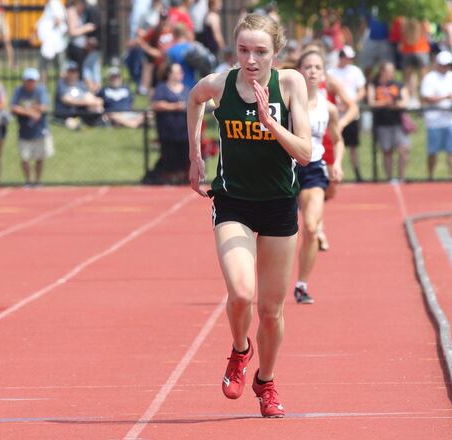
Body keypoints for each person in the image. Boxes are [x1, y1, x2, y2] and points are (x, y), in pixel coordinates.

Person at [186, 14, 312, 418]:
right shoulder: (221, 84)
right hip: (233, 203)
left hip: (278, 204)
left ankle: (266, 381)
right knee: (241, 293)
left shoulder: (290, 83)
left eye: (260, 52)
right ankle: (240, 350)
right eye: (244, 51)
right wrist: (194, 156)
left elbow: (305, 152)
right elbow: (194, 99)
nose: (251, 60)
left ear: (276, 52)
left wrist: (271, 123)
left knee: (271, 311)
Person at [293, 49, 354, 305]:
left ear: (324, 74)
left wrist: (337, 162)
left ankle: (302, 284)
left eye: (318, 67)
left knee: (310, 227)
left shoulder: (329, 108)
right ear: (299, 71)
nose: (313, 71)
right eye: (308, 66)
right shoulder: (286, 102)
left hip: (313, 169)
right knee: (278, 232)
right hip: (285, 169)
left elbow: (338, 140)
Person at [420, 51, 452, 180]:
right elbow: (426, 97)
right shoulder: (430, 78)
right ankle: (430, 176)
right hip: (434, 121)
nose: (446, 67)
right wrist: (445, 97)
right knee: (432, 152)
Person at [147, 61, 190, 183]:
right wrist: (175, 106)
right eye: (176, 72)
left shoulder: (186, 89)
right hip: (167, 130)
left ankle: (181, 179)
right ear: (169, 74)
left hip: (184, 131)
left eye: (181, 72)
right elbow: (156, 104)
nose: (179, 74)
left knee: (183, 157)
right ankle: (169, 179)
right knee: (169, 156)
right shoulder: (162, 88)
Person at [368, 61, 411, 182]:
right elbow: (372, 102)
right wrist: (385, 103)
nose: (391, 73)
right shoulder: (374, 85)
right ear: (382, 71)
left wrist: (394, 105)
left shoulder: (398, 84)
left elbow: (405, 101)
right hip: (382, 123)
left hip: (398, 123)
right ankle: (390, 178)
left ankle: (402, 177)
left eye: (392, 71)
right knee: (387, 151)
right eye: (388, 71)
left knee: (403, 149)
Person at [327, 45, 365, 182]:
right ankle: (336, 172)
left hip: (350, 114)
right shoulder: (331, 72)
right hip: (335, 115)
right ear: (341, 58)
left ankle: (357, 174)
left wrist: (350, 102)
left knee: (353, 146)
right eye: (346, 58)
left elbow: (361, 91)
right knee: (334, 143)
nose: (349, 60)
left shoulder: (355, 71)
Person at [11, 68, 54, 187]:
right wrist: (30, 112)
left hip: (40, 129)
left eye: (33, 80)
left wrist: (25, 110)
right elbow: (14, 107)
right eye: (28, 80)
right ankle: (28, 181)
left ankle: (38, 181)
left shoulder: (41, 90)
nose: (30, 83)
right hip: (24, 130)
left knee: (40, 157)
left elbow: (44, 106)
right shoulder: (18, 91)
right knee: (25, 157)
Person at [54, 61, 104, 128]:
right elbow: (66, 100)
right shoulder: (62, 84)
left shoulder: (80, 84)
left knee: (98, 107)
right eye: (71, 71)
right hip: (66, 113)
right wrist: (86, 102)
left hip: (81, 111)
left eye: (75, 71)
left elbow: (90, 96)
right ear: (67, 72)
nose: (73, 74)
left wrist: (96, 101)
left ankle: (100, 122)